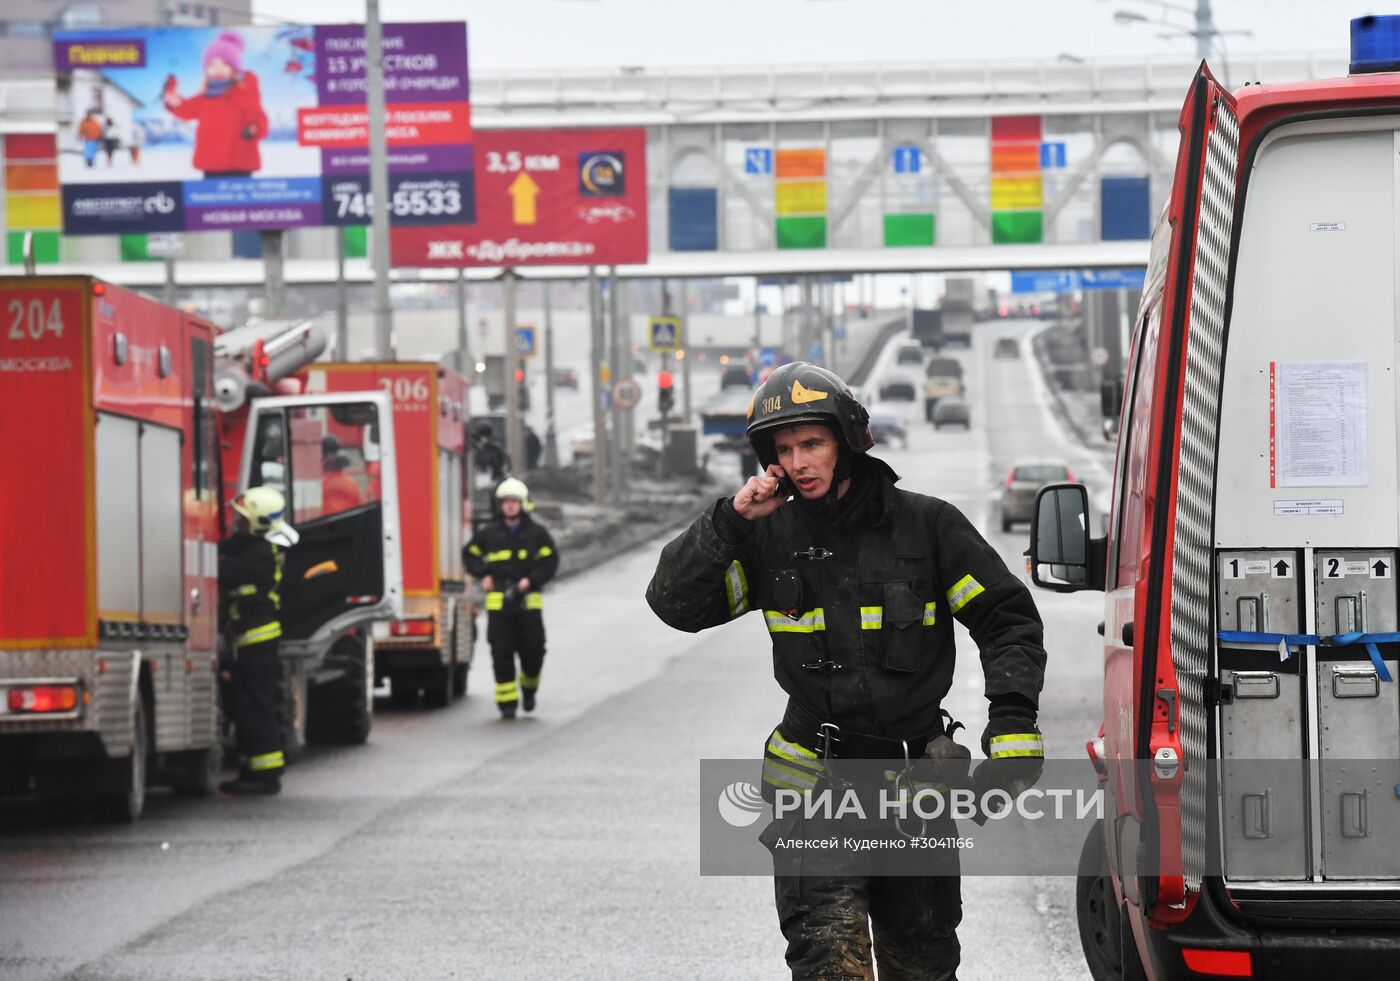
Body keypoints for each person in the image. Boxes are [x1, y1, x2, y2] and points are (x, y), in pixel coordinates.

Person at [645, 362, 1047, 980]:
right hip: (813, 788)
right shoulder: (763, 537)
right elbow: (674, 606)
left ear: (847, 441)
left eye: (812, 443)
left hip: (915, 791)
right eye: (785, 449)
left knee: (923, 966)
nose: (799, 461)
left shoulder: (927, 526)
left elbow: (1006, 618)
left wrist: (1014, 724)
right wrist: (728, 519)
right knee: (828, 967)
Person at [219, 486, 299, 795]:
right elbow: (236, 545)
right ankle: (251, 768)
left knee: (256, 708)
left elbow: (228, 572)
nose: (237, 525)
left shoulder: (261, 554)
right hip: (249, 641)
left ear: (260, 523)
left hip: (257, 641)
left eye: (243, 521)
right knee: (246, 705)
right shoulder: (259, 546)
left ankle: (265, 775)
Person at [463, 478, 559, 719]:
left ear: (523, 503)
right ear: (499, 505)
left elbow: (550, 561)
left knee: (534, 652)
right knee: (501, 655)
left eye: (514, 501)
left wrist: (532, 580)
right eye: (505, 501)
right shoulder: (488, 534)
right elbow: (470, 555)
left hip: (528, 606)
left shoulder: (537, 533)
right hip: (499, 609)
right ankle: (507, 703)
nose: (510, 506)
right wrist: (482, 573)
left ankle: (529, 689)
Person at [163, 30, 267, 178]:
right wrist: (174, 102)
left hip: (240, 165)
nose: (218, 69)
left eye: (225, 64)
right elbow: (186, 110)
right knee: (211, 201)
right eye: (212, 65)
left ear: (234, 69)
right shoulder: (206, 97)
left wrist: (253, 130)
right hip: (211, 166)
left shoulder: (245, 94)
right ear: (206, 70)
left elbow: (261, 122)